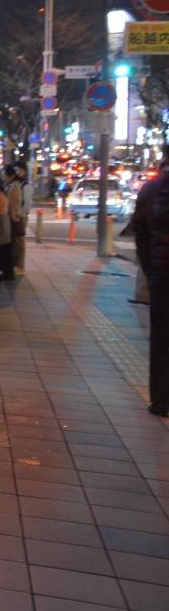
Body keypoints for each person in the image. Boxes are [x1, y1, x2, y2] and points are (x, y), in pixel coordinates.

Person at [132, 157, 169, 417]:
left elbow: (140, 233)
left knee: (161, 337)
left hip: (162, 274)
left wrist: (151, 269)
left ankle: (160, 400)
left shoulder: (151, 190)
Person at [4, 165, 27, 275]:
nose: (3, 177)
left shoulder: (15, 187)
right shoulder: (11, 186)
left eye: (4, 175)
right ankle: (14, 265)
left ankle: (19, 266)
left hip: (14, 218)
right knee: (14, 243)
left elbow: (15, 204)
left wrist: (16, 216)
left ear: (11, 176)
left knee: (17, 243)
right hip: (11, 217)